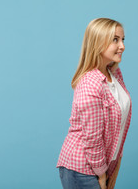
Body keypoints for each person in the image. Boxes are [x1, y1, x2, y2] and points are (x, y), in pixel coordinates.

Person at [57, 18, 132, 189]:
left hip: (102, 165)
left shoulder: (114, 73)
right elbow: (93, 137)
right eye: (115, 40)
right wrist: (101, 174)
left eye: (122, 39)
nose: (122, 46)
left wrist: (114, 165)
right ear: (98, 43)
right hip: (83, 168)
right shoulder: (90, 83)